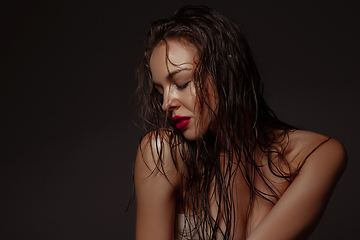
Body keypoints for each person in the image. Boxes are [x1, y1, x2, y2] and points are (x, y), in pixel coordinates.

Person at [134, 5, 347, 240]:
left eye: (182, 83)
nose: (166, 103)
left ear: (225, 69)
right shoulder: (163, 153)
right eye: (160, 91)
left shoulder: (316, 155)